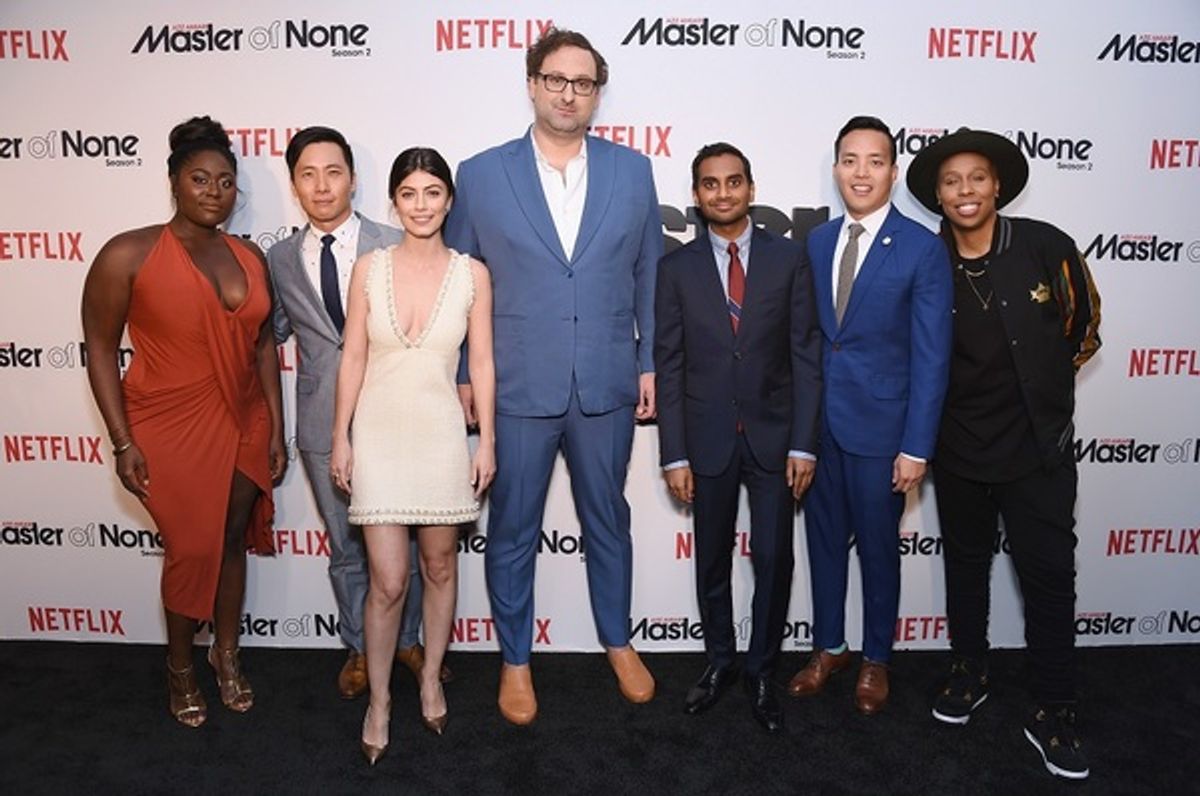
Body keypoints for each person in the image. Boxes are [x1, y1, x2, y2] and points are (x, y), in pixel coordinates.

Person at [444, 27, 662, 726]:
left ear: (598, 93)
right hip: (515, 386)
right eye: (557, 79)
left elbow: (649, 273)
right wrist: (460, 373)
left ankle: (619, 641)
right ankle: (515, 660)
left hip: (606, 378)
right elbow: (459, 283)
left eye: (585, 83)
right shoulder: (479, 174)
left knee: (609, 520)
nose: (570, 93)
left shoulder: (633, 171)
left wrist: (650, 358)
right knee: (511, 527)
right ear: (532, 82)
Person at [906, 127, 1101, 780]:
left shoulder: (1045, 245)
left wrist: (1044, 391)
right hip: (958, 450)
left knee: (1048, 578)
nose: (966, 190)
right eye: (952, 181)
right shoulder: (924, 260)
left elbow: (1083, 326)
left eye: (977, 178)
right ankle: (969, 669)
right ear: (937, 194)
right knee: (965, 567)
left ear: (997, 186)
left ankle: (1054, 705)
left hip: (1037, 452)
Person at [81, 116, 286, 728]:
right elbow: (97, 346)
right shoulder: (128, 252)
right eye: (200, 179)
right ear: (173, 181)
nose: (213, 192)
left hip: (245, 418)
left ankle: (226, 657)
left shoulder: (248, 255)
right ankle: (179, 668)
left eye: (226, 183)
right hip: (167, 424)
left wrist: (275, 427)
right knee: (190, 548)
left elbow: (262, 348)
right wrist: (122, 441)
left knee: (227, 541)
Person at [267, 126, 449, 699]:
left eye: (334, 172)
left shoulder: (397, 239)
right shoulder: (278, 258)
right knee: (348, 548)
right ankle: (358, 646)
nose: (322, 186)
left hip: (402, 413)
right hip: (326, 421)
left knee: (414, 540)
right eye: (307, 174)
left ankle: (409, 638)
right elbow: (270, 333)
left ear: (354, 178)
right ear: (294, 184)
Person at [331, 147, 495, 764]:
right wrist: (341, 434)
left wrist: (489, 442)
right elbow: (352, 356)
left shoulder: (472, 273)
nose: (421, 205)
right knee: (388, 581)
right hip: (378, 433)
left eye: (433, 192)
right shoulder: (369, 268)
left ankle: (429, 676)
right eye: (409, 193)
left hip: (441, 436)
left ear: (449, 200)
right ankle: (379, 700)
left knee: (443, 566)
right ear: (394, 201)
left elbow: (480, 363)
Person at [655, 143, 821, 733]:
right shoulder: (674, 269)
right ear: (696, 195)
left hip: (776, 440)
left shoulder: (789, 258)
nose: (722, 193)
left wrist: (804, 443)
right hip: (706, 439)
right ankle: (721, 662)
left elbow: (806, 352)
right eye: (709, 184)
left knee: (774, 559)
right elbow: (668, 364)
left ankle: (761, 671)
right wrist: (672, 451)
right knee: (712, 561)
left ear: (751, 188)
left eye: (733, 182)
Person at [790, 116, 953, 715]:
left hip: (884, 433)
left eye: (875, 161)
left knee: (880, 548)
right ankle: (829, 647)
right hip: (820, 432)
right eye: (851, 160)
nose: (862, 172)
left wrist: (916, 447)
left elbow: (932, 356)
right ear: (836, 168)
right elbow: (813, 342)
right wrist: (800, 436)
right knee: (824, 545)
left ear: (893, 169)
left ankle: (876, 658)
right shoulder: (817, 241)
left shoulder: (921, 247)